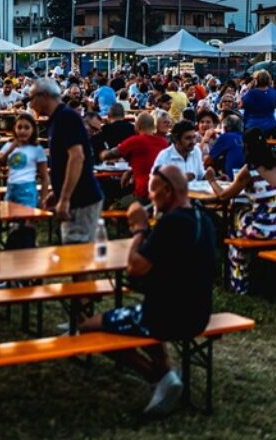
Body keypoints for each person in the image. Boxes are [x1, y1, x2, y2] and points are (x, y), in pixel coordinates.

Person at [79, 164, 215, 418]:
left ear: (167, 190)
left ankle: (160, 376)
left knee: (88, 329)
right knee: (138, 313)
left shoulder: (171, 224)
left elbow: (134, 268)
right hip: (199, 314)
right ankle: (163, 368)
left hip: (165, 317)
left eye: (153, 189)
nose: (150, 195)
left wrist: (139, 229)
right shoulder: (202, 219)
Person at [209, 129, 276, 292]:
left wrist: (212, 180)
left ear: (246, 147)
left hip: (264, 228)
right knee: (242, 213)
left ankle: (239, 280)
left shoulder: (250, 170)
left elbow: (224, 196)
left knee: (233, 226)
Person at [29, 78, 103, 242]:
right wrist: (57, 192)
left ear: (44, 96)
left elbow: (77, 158)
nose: (30, 104)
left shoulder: (66, 117)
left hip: (81, 198)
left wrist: (65, 198)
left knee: (77, 252)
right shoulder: (57, 119)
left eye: (31, 98)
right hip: (75, 197)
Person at [101, 112, 169, 204]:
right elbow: (151, 163)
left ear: (137, 126)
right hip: (162, 193)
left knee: (112, 206)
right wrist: (131, 171)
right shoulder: (164, 142)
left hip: (143, 194)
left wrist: (102, 152)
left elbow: (107, 156)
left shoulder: (135, 141)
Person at [0, 112, 49, 207]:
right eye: (19, 127)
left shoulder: (37, 149)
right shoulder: (9, 145)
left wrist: (43, 198)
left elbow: (44, 176)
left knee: (26, 218)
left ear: (33, 129)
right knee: (10, 216)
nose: (23, 131)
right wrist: (10, 149)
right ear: (14, 129)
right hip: (11, 186)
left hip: (27, 187)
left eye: (27, 128)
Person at [206, 113, 245, 180]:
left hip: (232, 179)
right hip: (246, 177)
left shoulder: (226, 136)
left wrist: (205, 140)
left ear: (225, 128)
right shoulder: (244, 137)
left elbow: (208, 161)